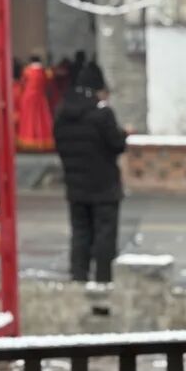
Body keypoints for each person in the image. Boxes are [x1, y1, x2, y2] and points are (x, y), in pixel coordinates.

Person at [53, 63, 129, 283]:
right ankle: (104, 279)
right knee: (105, 235)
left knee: (80, 234)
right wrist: (124, 135)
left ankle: (79, 277)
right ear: (97, 89)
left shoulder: (62, 114)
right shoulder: (102, 114)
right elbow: (116, 144)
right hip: (104, 186)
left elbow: (60, 145)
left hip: (75, 185)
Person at [18, 55, 54, 151]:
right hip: (40, 98)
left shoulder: (27, 71)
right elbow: (48, 85)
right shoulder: (46, 72)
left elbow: (22, 84)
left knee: (29, 119)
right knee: (41, 119)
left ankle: (28, 139)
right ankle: (41, 140)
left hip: (28, 98)